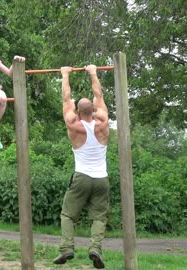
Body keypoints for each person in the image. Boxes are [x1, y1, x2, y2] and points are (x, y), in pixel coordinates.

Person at [53, 65, 110, 269]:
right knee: (99, 218)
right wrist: (93, 72)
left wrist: (65, 74)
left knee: (68, 215)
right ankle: (95, 248)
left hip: (81, 177)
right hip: (101, 179)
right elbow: (98, 94)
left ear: (78, 111)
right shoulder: (103, 123)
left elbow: (66, 99)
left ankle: (67, 248)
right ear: (94, 110)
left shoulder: (73, 125)